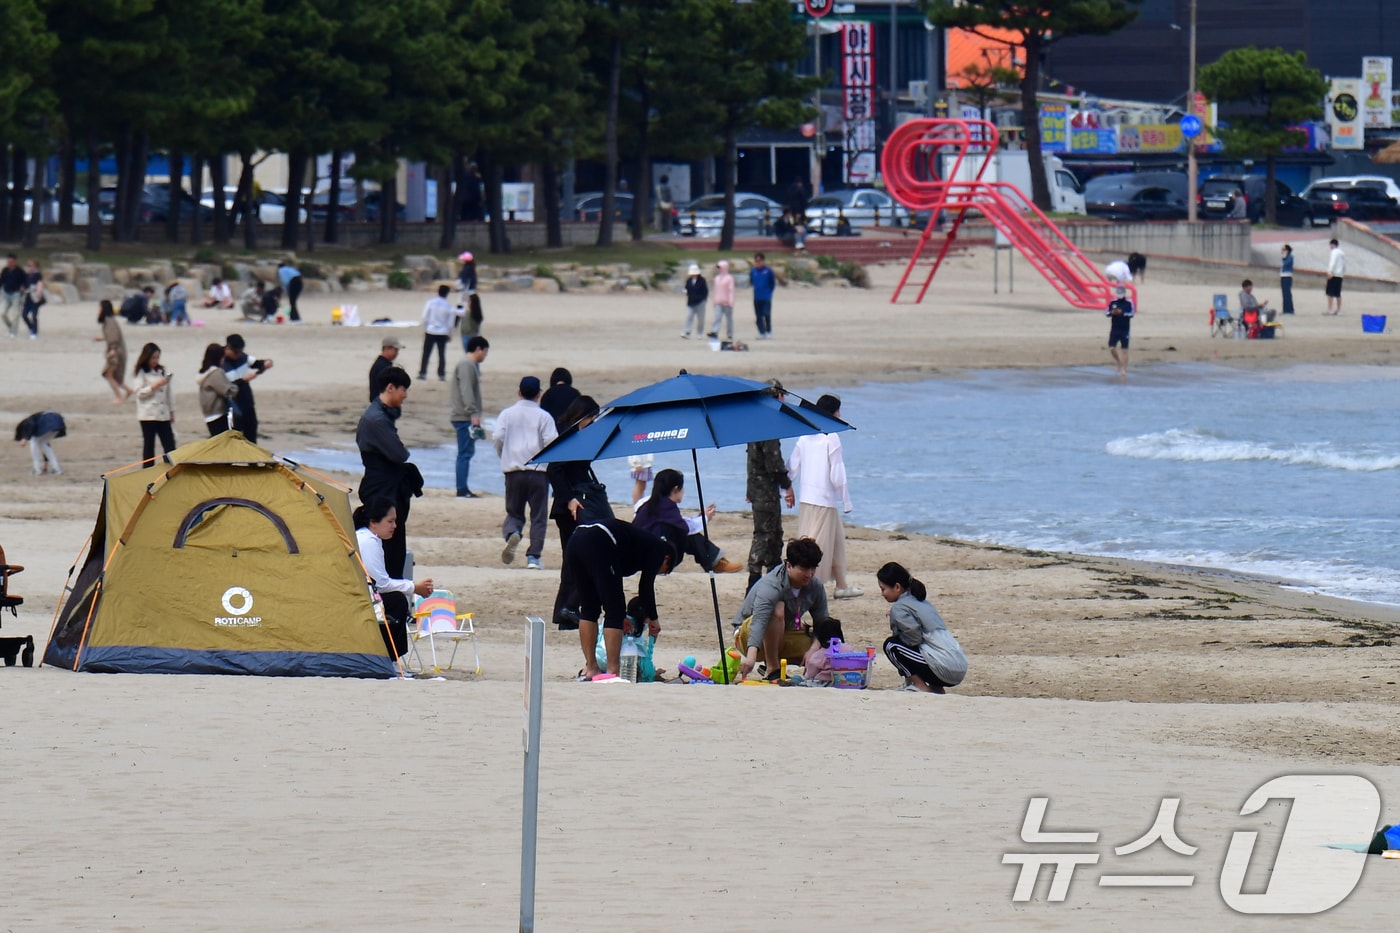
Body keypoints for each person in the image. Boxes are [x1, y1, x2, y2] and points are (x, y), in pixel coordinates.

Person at [564, 515, 676, 679]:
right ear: (667, 559)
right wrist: (653, 618)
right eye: (665, 570)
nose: (660, 572)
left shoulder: (641, 544)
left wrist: (623, 615)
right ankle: (612, 670)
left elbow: (605, 585)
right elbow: (645, 586)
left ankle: (591, 668)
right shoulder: (658, 548)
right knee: (614, 611)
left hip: (575, 540)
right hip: (599, 541)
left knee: (590, 608)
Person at [356, 367, 423, 595]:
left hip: (383, 485)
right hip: (382, 489)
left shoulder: (380, 414)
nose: (405, 395)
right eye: (403, 390)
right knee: (388, 545)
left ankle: (390, 594)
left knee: (390, 543)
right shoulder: (376, 419)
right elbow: (399, 454)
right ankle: (389, 599)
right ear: (391, 388)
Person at [788, 394, 860, 598]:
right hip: (824, 499)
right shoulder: (831, 437)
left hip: (808, 498)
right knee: (815, 545)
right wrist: (846, 500)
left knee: (836, 540)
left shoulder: (805, 436)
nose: (840, 414)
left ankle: (841, 584)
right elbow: (838, 473)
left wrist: (787, 488)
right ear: (833, 413)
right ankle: (804, 586)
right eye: (838, 410)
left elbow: (792, 466)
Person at [733, 537, 829, 682]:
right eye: (804, 569)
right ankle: (772, 668)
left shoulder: (815, 585)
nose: (809, 574)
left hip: (783, 633)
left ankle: (775, 663)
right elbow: (759, 622)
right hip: (747, 635)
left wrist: (813, 651)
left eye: (813, 568)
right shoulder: (772, 585)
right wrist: (751, 659)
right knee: (778, 609)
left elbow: (823, 624)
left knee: (824, 650)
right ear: (789, 566)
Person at [546, 395, 603, 629]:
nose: (594, 422)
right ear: (584, 416)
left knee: (572, 561)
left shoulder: (576, 437)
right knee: (581, 558)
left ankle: (564, 612)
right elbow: (554, 470)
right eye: (593, 417)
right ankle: (568, 608)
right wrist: (569, 499)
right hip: (570, 508)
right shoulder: (568, 436)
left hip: (573, 506)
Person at [353, 498, 434, 663]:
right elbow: (381, 584)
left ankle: (390, 657)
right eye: (390, 521)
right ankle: (389, 657)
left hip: (359, 594)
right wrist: (414, 587)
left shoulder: (367, 538)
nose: (394, 526)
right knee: (396, 601)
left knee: (395, 599)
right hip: (357, 598)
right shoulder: (368, 542)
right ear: (374, 522)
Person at [493, 375, 558, 570]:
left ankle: (513, 532)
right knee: (538, 515)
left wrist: (504, 455)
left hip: (513, 470)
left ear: (519, 392)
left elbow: (498, 437)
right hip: (538, 472)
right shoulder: (544, 416)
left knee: (514, 511)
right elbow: (551, 442)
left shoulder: (507, 414)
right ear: (539, 394)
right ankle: (533, 557)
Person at [878, 562, 967, 694]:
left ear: (897, 587)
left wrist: (895, 622)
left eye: (883, 589)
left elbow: (913, 639)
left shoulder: (899, 608)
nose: (882, 594)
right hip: (958, 666)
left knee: (891, 646)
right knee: (926, 648)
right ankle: (936, 688)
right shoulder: (922, 602)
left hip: (945, 669)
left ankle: (918, 685)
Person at [632, 468, 743, 574]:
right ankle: (715, 563)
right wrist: (705, 518)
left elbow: (677, 522)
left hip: (640, 553)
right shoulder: (667, 507)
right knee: (691, 536)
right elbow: (686, 528)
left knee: (682, 531)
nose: (683, 491)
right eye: (682, 488)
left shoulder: (650, 503)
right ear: (676, 489)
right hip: (654, 558)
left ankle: (716, 561)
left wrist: (700, 516)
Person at [746, 379, 796, 590]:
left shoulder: (755, 422)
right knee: (766, 534)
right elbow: (773, 463)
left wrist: (749, 489)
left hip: (759, 489)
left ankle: (773, 577)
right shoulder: (768, 424)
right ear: (777, 396)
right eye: (782, 395)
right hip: (765, 491)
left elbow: (752, 461)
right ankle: (755, 581)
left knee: (774, 535)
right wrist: (788, 486)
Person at [449, 335, 490, 498]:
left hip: (463, 415)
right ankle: (462, 489)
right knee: (465, 453)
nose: (485, 356)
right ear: (478, 349)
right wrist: (473, 412)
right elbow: (467, 390)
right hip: (463, 416)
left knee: (466, 452)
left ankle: (462, 487)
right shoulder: (466, 365)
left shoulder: (468, 364)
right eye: (485, 352)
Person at [221, 333, 273, 442]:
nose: (238, 355)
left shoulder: (242, 357)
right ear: (228, 348)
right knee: (235, 435)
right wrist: (243, 380)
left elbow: (257, 363)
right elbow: (225, 387)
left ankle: (252, 458)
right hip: (232, 403)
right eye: (236, 352)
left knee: (251, 431)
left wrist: (266, 363)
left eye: (240, 351)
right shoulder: (221, 363)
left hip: (247, 400)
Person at [133, 342, 175, 462]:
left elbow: (169, 393)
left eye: (157, 357)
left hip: (163, 414)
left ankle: (171, 470)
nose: (156, 360)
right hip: (148, 414)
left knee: (170, 445)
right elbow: (140, 393)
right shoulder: (141, 372)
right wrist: (155, 386)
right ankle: (147, 471)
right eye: (153, 358)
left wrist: (172, 411)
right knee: (149, 446)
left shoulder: (162, 370)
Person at [196, 343, 239, 436]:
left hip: (208, 415)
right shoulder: (215, 373)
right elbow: (228, 391)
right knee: (224, 444)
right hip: (217, 413)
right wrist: (236, 385)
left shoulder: (204, 372)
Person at [94, 300, 132, 402]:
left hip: (116, 351)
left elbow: (114, 337)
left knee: (108, 374)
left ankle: (119, 397)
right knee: (113, 375)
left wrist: (113, 349)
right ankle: (127, 390)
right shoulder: (110, 320)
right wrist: (102, 338)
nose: (99, 309)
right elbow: (112, 336)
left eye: (100, 307)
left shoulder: (109, 321)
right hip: (117, 350)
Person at [419, 284, 457, 381]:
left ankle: (423, 372)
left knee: (426, 353)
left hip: (431, 330)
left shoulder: (430, 303)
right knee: (441, 354)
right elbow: (450, 323)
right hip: (442, 332)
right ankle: (441, 374)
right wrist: (450, 333)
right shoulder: (448, 306)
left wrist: (426, 328)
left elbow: (424, 317)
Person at [14, 411, 65, 475]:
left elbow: (30, 424)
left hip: (50, 420)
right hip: (58, 422)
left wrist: (25, 438)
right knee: (43, 444)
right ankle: (57, 469)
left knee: (34, 441)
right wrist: (46, 463)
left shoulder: (27, 421)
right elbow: (44, 448)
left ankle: (36, 469)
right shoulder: (38, 421)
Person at [802, 616, 846, 686]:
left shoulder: (820, 654)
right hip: (845, 680)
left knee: (797, 680)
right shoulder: (848, 649)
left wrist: (807, 675)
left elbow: (810, 673)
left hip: (825, 682)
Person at [456, 252, 483, 349]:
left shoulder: (466, 269)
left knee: (461, 307)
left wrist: (461, 289)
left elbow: (464, 281)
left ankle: (456, 323)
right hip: (471, 290)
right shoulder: (472, 268)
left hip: (466, 291)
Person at [1106, 285, 1134, 377]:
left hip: (1125, 329)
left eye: (1121, 293)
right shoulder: (1113, 302)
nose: (1120, 294)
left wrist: (1122, 313)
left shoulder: (1128, 302)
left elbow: (1132, 313)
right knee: (1112, 348)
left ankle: (1124, 369)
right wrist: (1112, 312)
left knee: (1124, 350)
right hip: (1114, 329)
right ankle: (1118, 362)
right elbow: (1107, 312)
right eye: (1118, 293)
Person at [706, 260, 735, 340]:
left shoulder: (729, 278)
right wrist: (714, 300)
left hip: (727, 302)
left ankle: (730, 334)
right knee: (717, 318)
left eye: (720, 267)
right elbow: (715, 290)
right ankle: (714, 331)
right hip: (718, 302)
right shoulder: (717, 278)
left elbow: (731, 290)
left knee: (729, 319)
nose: (719, 269)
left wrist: (731, 301)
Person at [369, 335, 404, 403]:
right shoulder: (382, 366)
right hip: (381, 403)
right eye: (396, 350)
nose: (397, 353)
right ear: (387, 348)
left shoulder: (381, 364)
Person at [750, 252, 776, 339]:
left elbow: (772, 283)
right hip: (757, 297)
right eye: (756, 261)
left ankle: (768, 331)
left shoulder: (768, 271)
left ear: (763, 261)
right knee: (758, 316)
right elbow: (752, 282)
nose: (758, 263)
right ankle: (762, 332)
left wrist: (769, 292)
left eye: (759, 261)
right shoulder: (753, 271)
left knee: (766, 314)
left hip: (766, 297)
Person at [1, 253, 24, 338]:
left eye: (11, 261)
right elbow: (2, 281)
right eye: (8, 261)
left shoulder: (20, 271)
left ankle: (13, 332)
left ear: (15, 262)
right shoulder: (5, 270)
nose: (9, 263)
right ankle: (11, 327)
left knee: (15, 314)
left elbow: (25, 280)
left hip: (16, 294)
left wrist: (23, 286)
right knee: (2, 313)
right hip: (6, 294)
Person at [20, 259, 45, 339]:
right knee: (24, 315)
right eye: (28, 265)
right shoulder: (27, 275)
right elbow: (24, 285)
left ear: (35, 266)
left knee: (34, 315)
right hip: (27, 297)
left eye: (31, 265)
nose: (29, 267)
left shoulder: (38, 275)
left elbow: (40, 284)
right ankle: (31, 327)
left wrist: (39, 292)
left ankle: (34, 332)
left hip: (35, 297)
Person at [681, 263, 707, 339]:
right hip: (691, 302)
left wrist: (703, 299)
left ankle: (699, 333)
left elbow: (705, 291)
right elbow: (686, 288)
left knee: (701, 319)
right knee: (689, 317)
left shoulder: (702, 281)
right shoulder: (689, 280)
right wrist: (685, 291)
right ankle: (687, 332)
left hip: (700, 302)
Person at [1326, 238, 1345, 315]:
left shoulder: (1334, 252)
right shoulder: (1342, 253)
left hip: (1333, 274)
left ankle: (1330, 309)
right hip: (1340, 275)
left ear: (1332, 244)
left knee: (1330, 293)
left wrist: (1329, 271)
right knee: (1338, 293)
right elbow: (1344, 265)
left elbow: (1332, 262)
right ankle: (1339, 310)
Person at [1280, 244, 1295, 316]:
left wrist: (1284, 257)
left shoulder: (1290, 257)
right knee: (1284, 293)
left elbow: (1286, 264)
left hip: (1287, 276)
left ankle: (1288, 310)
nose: (1282, 251)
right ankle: (1285, 309)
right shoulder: (1284, 257)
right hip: (1283, 276)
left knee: (1287, 294)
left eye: (1283, 250)